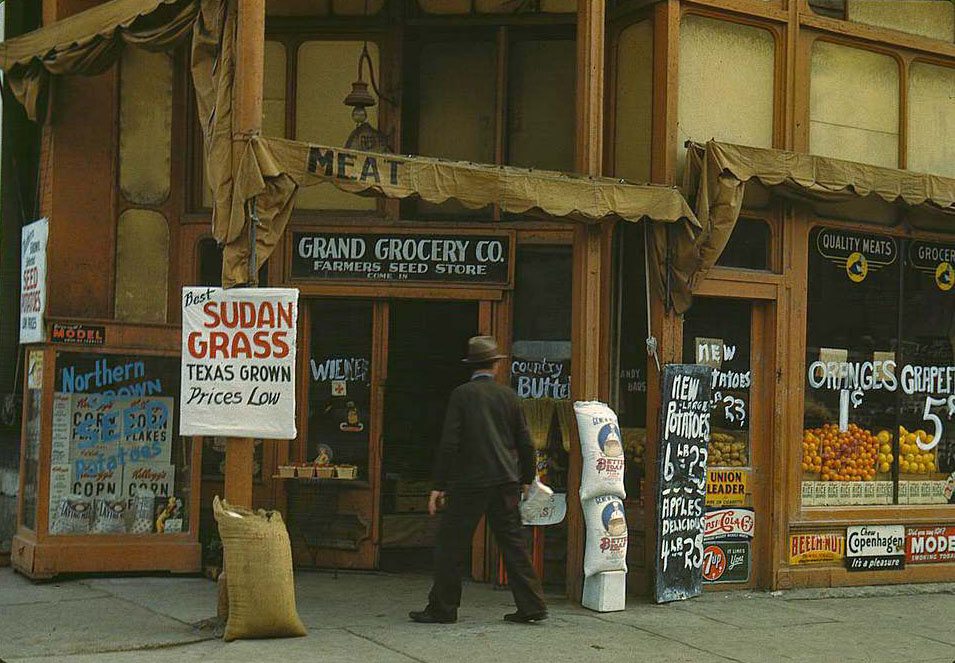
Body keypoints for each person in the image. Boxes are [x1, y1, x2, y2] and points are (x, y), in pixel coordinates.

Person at [409, 336, 548, 625]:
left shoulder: (462, 395)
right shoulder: (508, 396)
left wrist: (439, 485)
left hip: (470, 482)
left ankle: (443, 608)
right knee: (513, 543)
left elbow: (450, 443)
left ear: (471, 366)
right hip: (505, 481)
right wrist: (527, 478)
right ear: (495, 365)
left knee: (451, 545)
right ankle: (532, 605)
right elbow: (526, 442)